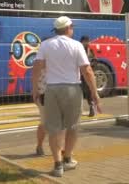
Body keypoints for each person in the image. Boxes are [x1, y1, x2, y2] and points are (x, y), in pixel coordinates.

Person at [32, 16, 101, 177]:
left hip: (51, 90)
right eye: (72, 27)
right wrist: (94, 92)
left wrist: (35, 89)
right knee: (73, 126)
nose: (73, 29)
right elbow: (87, 70)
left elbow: (37, 67)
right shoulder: (76, 45)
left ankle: (57, 164)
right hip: (72, 89)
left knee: (54, 128)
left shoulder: (46, 45)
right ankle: (68, 158)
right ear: (68, 28)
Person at [79, 36, 97, 117]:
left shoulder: (91, 51)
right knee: (79, 92)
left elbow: (95, 61)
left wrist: (90, 66)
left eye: (88, 41)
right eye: (86, 41)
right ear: (82, 42)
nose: (87, 43)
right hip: (79, 75)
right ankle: (79, 110)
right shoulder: (79, 50)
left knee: (88, 92)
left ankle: (91, 107)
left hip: (87, 74)